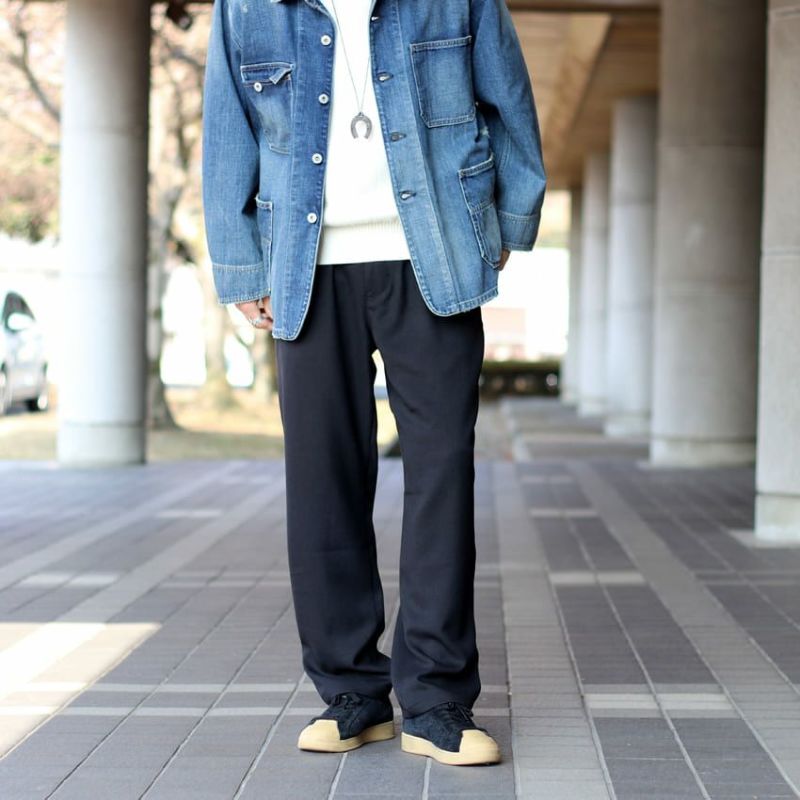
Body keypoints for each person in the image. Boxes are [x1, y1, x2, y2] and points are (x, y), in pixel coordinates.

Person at [202, 0, 545, 767]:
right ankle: (352, 691)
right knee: (322, 478)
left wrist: (507, 223)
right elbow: (228, 130)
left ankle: (436, 699)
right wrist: (240, 264)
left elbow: (509, 99)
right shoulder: (248, 8)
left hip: (435, 254)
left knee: (442, 475)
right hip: (304, 263)